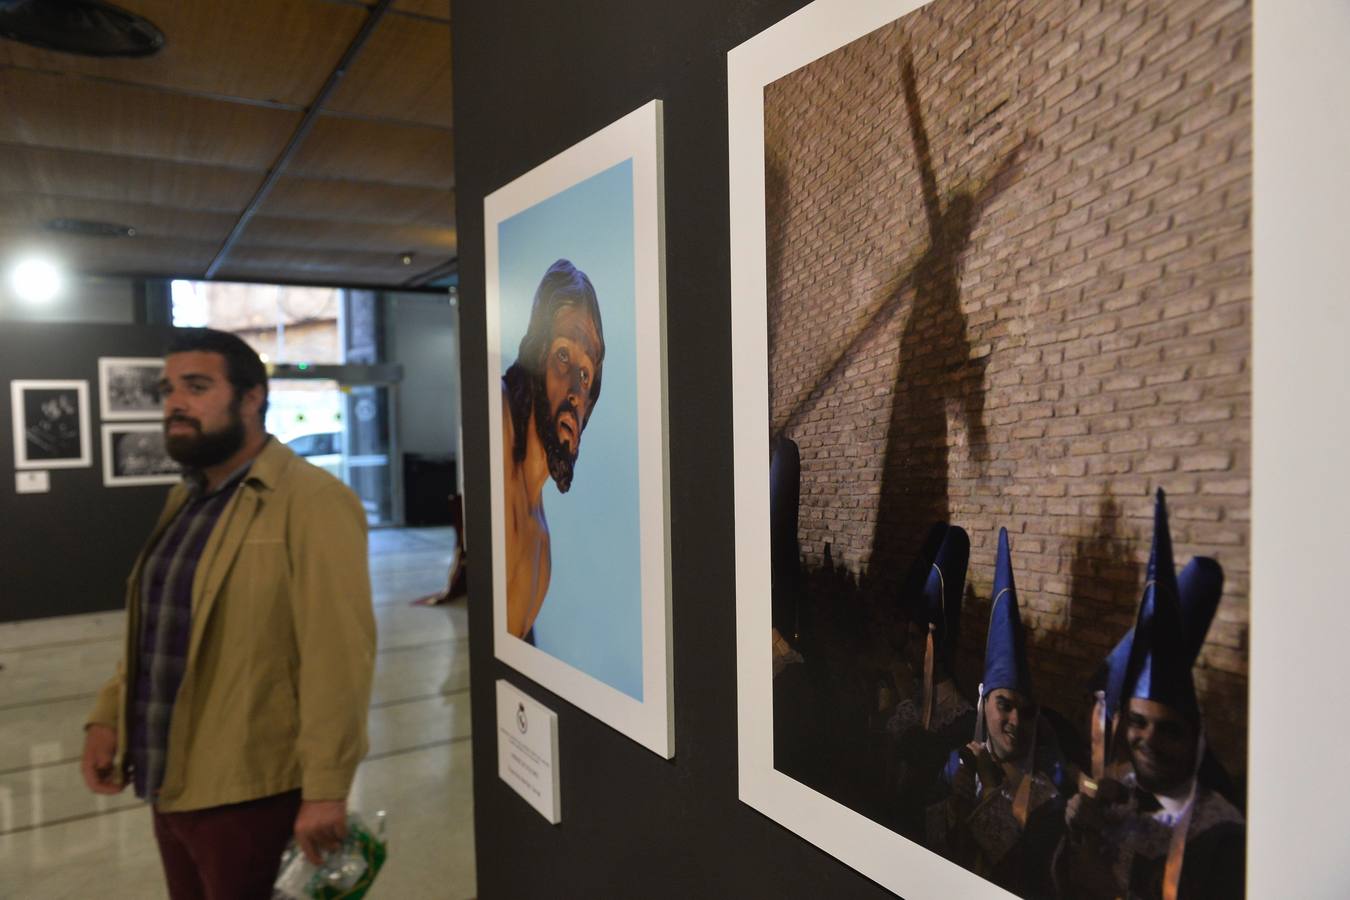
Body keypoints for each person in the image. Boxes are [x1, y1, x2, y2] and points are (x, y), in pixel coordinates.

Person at [80, 328, 376, 899]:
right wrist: (107, 717)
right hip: (169, 780)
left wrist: (326, 789)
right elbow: (154, 632)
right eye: (168, 390)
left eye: (196, 387)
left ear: (251, 398)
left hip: (250, 796)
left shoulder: (313, 501)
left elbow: (338, 656)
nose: (175, 405)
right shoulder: (187, 497)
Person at [1055, 490, 1244, 899]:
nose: (1149, 740)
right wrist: (1079, 829)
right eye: (1138, 721)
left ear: (1196, 737)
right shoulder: (1121, 794)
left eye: (1170, 730)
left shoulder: (1223, 842)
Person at [926, 528, 1074, 898]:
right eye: (1004, 706)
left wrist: (992, 787)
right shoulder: (955, 766)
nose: (1015, 723)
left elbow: (1025, 877)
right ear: (983, 704)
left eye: (1026, 712)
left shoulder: (1049, 799)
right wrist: (956, 802)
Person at [501, 259, 605, 640]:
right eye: (564, 355)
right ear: (537, 354)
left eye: (586, 374)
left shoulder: (542, 548)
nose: (576, 394)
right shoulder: (498, 415)